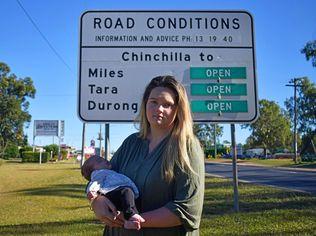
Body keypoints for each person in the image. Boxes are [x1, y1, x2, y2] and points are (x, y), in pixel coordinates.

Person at [91, 75, 205, 235]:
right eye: (154, 102)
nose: (159, 109)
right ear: (145, 104)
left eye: (167, 105)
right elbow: (105, 179)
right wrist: (96, 201)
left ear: (178, 109)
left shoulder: (187, 147)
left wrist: (134, 220)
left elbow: (188, 209)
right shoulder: (131, 143)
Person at [81, 155, 145, 230]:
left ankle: (129, 221)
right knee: (126, 191)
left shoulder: (108, 172)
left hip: (117, 193)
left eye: (103, 158)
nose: (104, 160)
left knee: (130, 200)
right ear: (94, 170)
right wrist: (91, 191)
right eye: (99, 161)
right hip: (112, 192)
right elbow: (95, 182)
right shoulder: (99, 173)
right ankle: (130, 215)